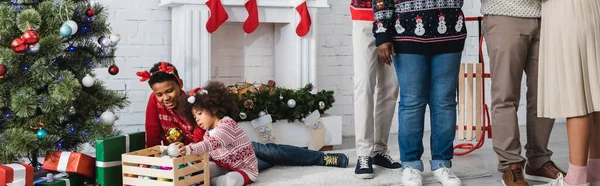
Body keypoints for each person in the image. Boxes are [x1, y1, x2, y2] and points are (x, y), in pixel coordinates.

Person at [140, 62, 349, 171]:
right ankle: (290, 160)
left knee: (271, 151)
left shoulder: (194, 103)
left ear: (180, 85)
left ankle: (323, 158)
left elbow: (201, 135)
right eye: (159, 94)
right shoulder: (154, 102)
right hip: (209, 157)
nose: (165, 97)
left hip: (220, 144)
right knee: (262, 164)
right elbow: (152, 134)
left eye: (170, 91)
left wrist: (189, 149)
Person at [373, 0, 466, 185]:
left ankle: (442, 163)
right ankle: (411, 165)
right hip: (406, 34)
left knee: (445, 102)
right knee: (412, 103)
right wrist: (383, 33)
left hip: (450, 31)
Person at [480, 0, 566, 185]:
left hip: (549, 16)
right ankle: (510, 164)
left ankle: (539, 160)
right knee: (505, 94)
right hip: (505, 14)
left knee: (545, 94)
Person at [536, 0, 600, 185]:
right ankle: (595, 173)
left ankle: (576, 179)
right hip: (592, 8)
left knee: (576, 93)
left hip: (567, 11)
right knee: (593, 91)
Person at [350, 0, 402, 180]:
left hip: (396, 21)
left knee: (390, 87)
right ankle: (364, 153)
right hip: (364, 18)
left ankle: (379, 150)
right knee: (364, 84)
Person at [173, 81, 258, 186]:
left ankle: (212, 182)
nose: (197, 120)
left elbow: (212, 143)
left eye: (200, 113)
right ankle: (206, 180)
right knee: (202, 169)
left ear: (213, 109)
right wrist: (192, 151)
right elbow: (209, 154)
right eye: (195, 117)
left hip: (244, 170)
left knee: (231, 180)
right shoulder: (207, 134)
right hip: (223, 166)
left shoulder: (227, 124)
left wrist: (189, 149)